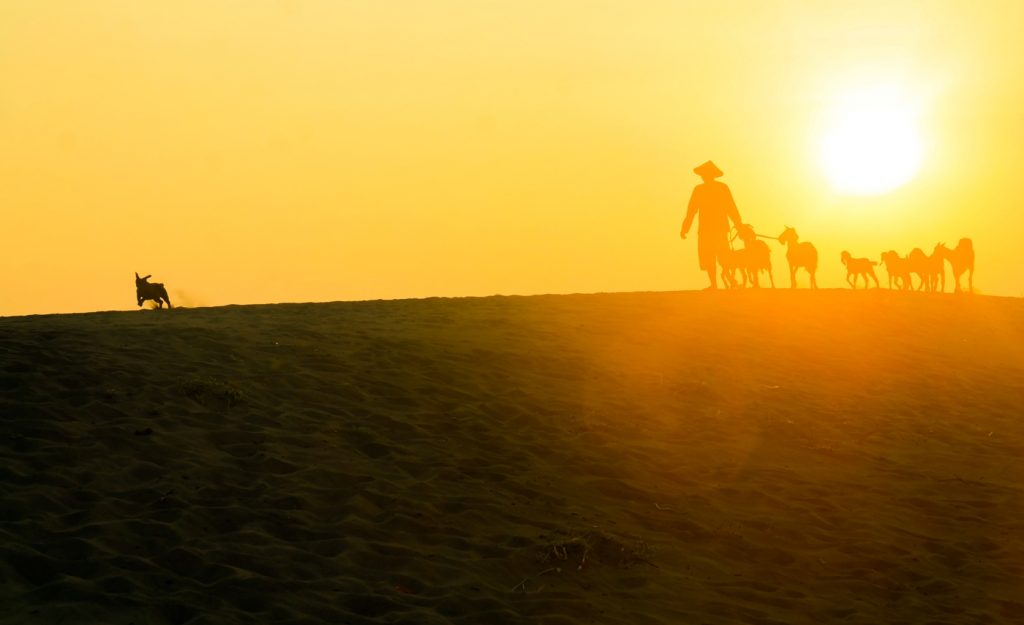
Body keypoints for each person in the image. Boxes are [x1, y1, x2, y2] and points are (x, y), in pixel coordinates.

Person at [680, 160, 743, 290]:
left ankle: (728, 280)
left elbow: (731, 208)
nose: (703, 176)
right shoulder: (700, 189)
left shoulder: (720, 188)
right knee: (711, 257)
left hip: (717, 229)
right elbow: (691, 210)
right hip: (708, 229)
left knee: (722, 256)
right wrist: (685, 227)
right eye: (703, 174)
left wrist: (739, 225)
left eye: (705, 174)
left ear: (711, 174)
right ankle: (716, 284)